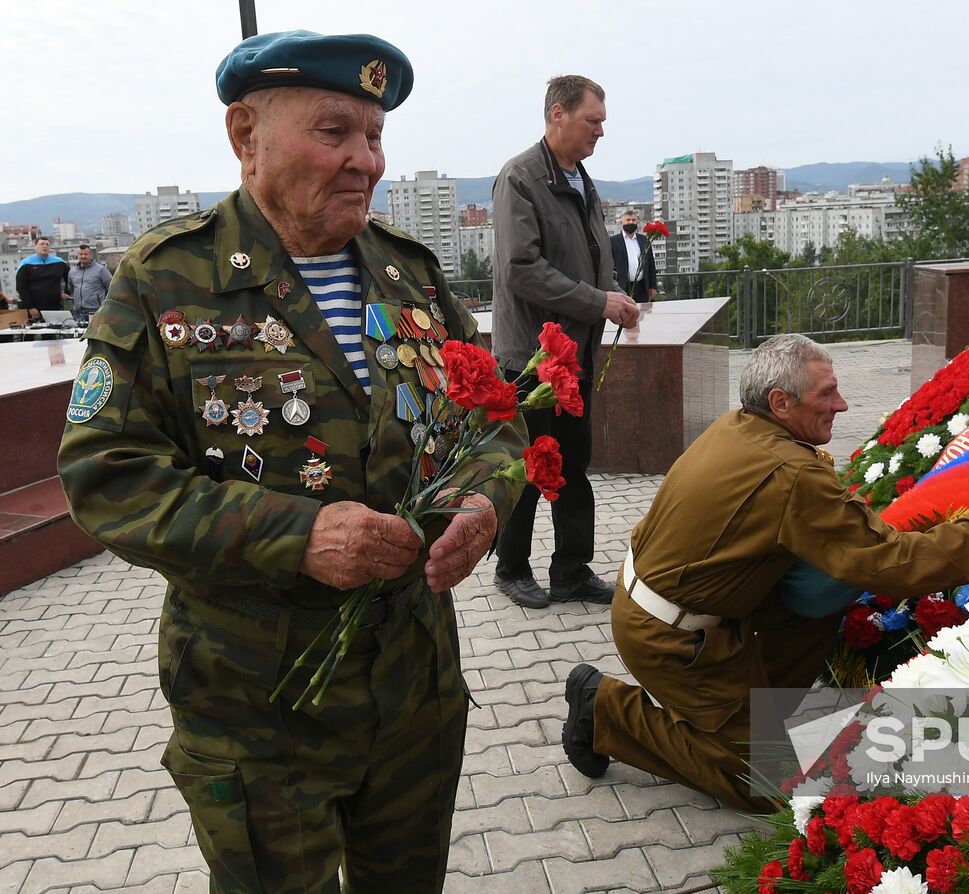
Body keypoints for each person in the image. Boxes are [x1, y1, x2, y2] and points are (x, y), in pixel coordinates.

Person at [57, 30, 526, 893]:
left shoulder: (411, 277)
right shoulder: (167, 281)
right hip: (259, 711)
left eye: (375, 137)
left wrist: (482, 507)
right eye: (334, 131)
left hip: (414, 693)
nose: (366, 161)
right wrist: (297, 535)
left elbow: (493, 424)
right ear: (246, 136)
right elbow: (105, 474)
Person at [560, 334, 969, 810]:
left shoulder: (740, 427)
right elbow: (897, 563)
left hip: (684, 608)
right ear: (780, 403)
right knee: (771, 779)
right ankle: (604, 710)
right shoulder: (791, 473)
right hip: (669, 640)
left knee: (822, 592)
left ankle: (740, 716)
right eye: (827, 394)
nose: (844, 405)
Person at [490, 75, 640, 609]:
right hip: (529, 357)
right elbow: (521, 270)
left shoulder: (581, 179)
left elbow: (595, 258)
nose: (601, 131)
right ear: (558, 114)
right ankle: (511, 568)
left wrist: (616, 294)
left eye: (601, 122)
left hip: (572, 355)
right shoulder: (520, 178)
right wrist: (600, 303)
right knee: (529, 467)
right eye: (592, 120)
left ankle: (571, 571)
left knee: (574, 464)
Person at [15, 236, 70, 319]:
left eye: (47, 244)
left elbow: (70, 278)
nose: (44, 246)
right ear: (35, 246)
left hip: (55, 306)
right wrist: (30, 307)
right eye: (41, 244)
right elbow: (21, 287)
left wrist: (67, 292)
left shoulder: (59, 262)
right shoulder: (26, 264)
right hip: (35, 307)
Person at [609, 210, 657, 303]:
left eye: (634, 220)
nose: (631, 222)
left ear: (637, 222)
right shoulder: (613, 242)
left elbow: (651, 265)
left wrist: (653, 286)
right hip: (622, 287)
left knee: (643, 315)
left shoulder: (644, 240)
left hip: (642, 287)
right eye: (628, 220)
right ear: (621, 222)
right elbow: (609, 265)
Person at [68, 244, 111, 323]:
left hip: (95, 310)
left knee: (94, 334)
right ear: (77, 255)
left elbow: (111, 287)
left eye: (85, 254)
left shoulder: (101, 270)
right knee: (79, 334)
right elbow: (72, 288)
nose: (83, 256)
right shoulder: (72, 272)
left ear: (91, 255)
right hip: (78, 311)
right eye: (81, 254)